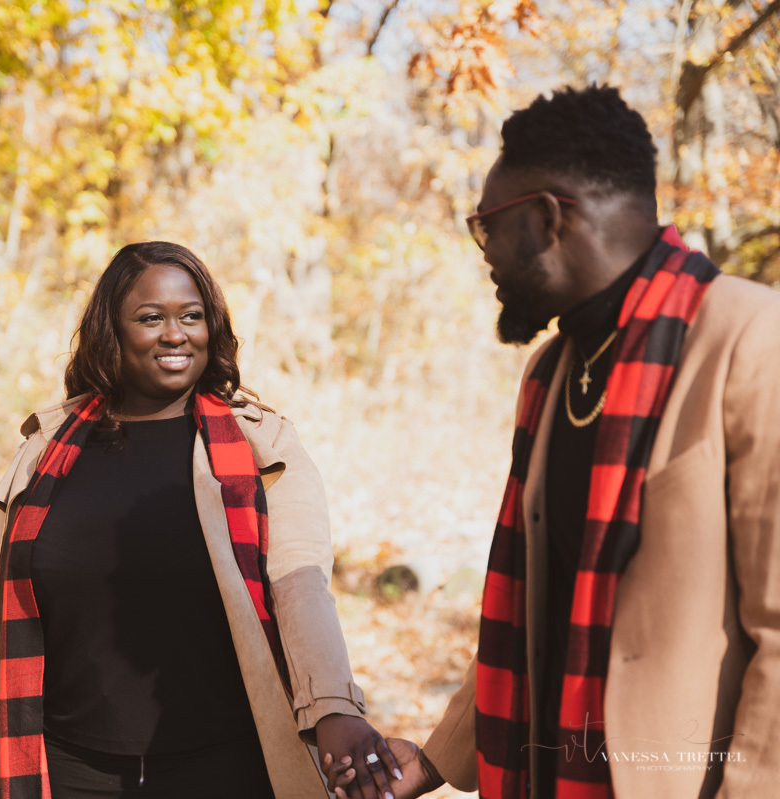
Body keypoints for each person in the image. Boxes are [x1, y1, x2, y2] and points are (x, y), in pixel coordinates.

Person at [326, 84, 780, 799]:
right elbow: (533, 607)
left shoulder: (750, 340)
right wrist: (441, 757)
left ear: (546, 218)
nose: (486, 256)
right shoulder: (550, 373)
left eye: (488, 228)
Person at [0, 241, 401, 799]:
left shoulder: (262, 448)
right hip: (67, 771)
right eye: (150, 318)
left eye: (191, 316)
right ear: (110, 330)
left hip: (226, 768)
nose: (175, 334)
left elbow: (300, 584)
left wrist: (334, 708)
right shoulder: (45, 453)